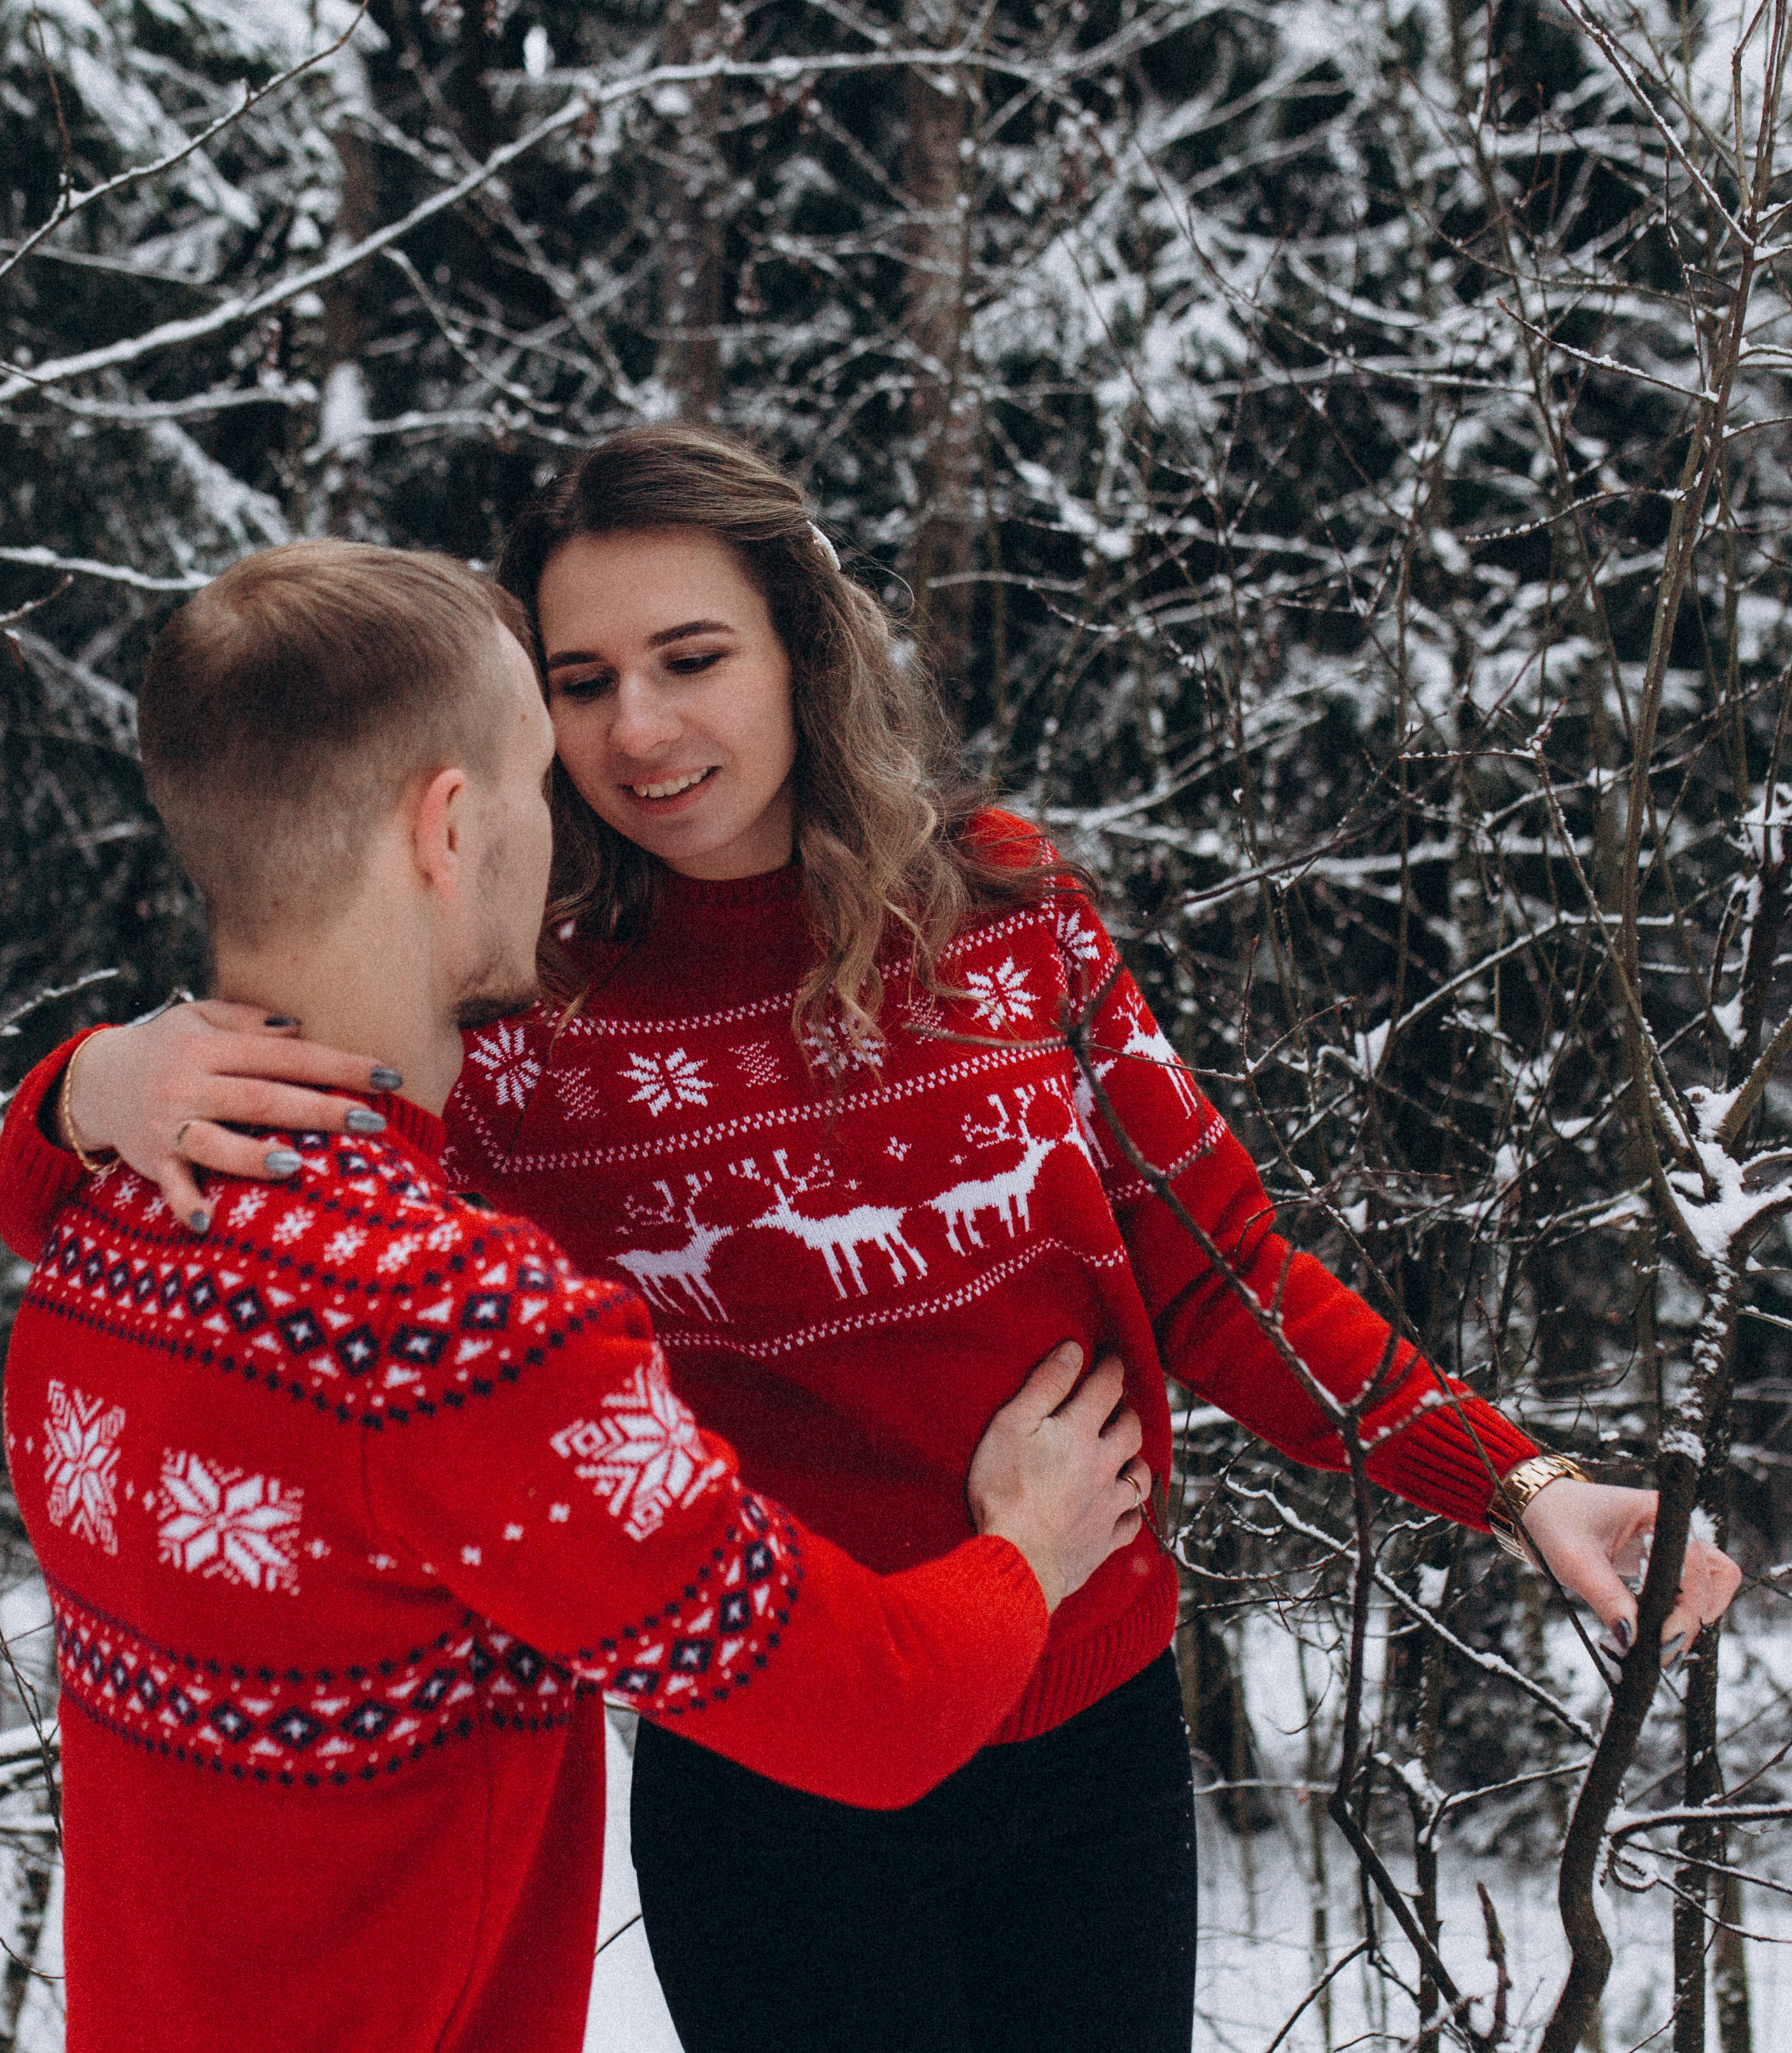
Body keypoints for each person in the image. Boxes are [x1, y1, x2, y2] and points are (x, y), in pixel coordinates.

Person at [6, 430, 1742, 2053]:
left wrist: (1511, 1480)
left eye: (691, 660)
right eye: (578, 685)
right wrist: (88, 1085)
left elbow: (1220, 1279)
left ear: (797, 653)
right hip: (778, 1771)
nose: (634, 734)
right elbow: (294, 1187)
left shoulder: (1003, 917)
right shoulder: (510, 999)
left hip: (1090, 1727)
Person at [0, 540, 1154, 2053]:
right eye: (541, 773)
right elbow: (867, 1720)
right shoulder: (460, 1326)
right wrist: (1031, 1541)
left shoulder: (106, 1217)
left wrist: (77, 1082)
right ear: (452, 824)